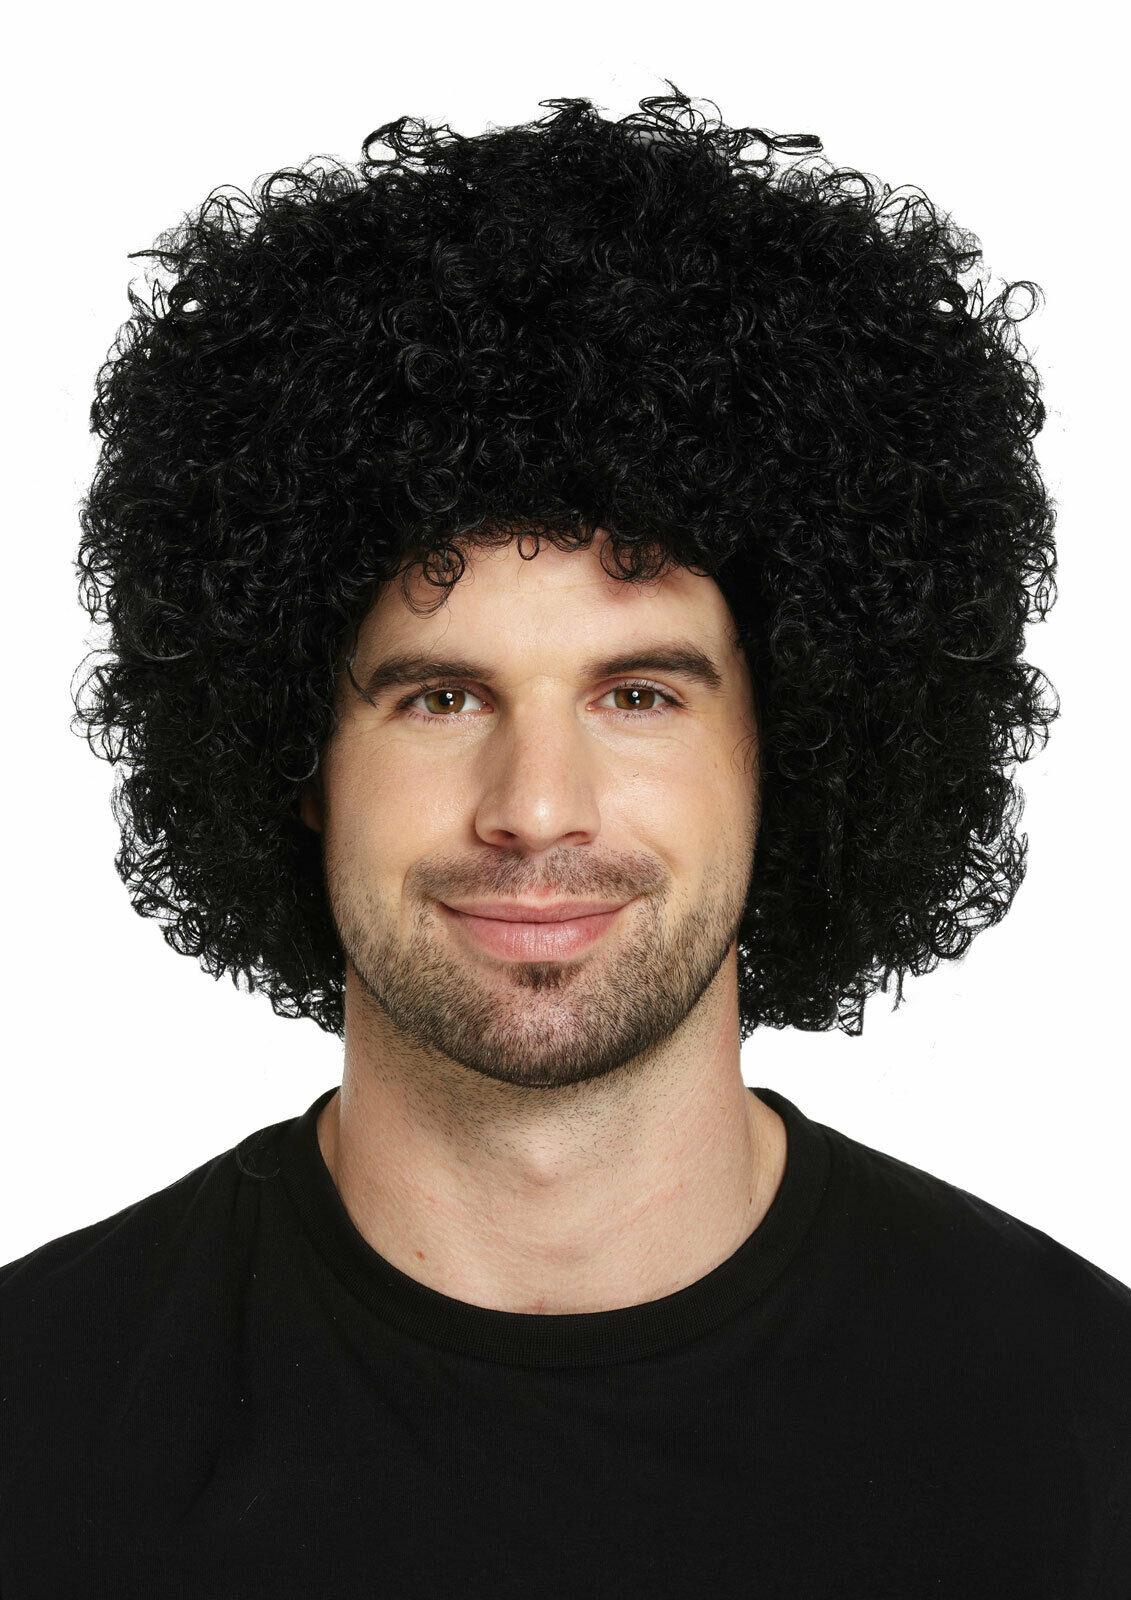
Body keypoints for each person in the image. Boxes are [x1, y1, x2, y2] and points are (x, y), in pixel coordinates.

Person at [1, 84, 1128, 1598]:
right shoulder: (39, 1428)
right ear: (296, 757)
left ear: (794, 746)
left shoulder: (1081, 1433)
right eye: (442, 695)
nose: (536, 806)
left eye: (639, 694)